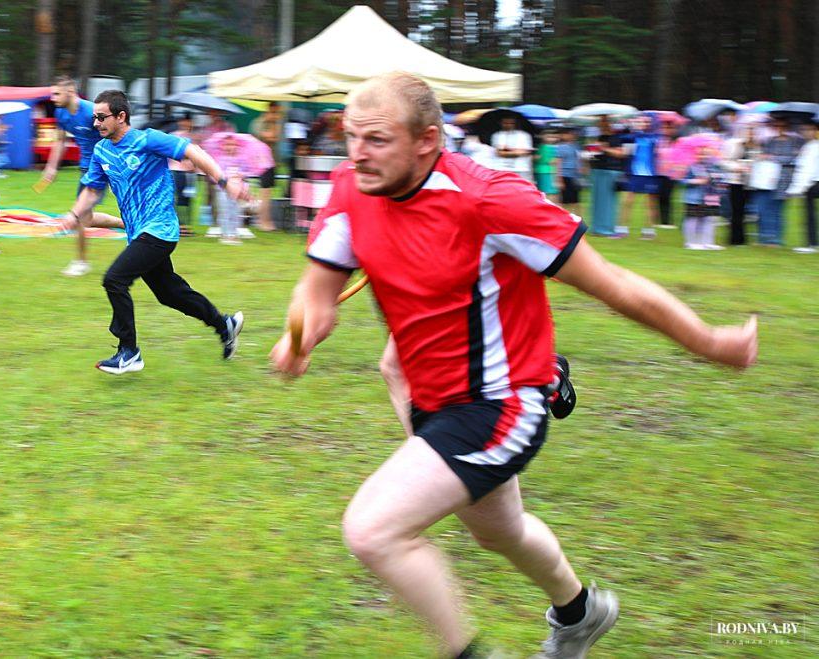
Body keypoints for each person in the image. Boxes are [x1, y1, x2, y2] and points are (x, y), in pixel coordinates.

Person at [270, 72, 758, 659]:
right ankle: (580, 613)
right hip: (433, 398)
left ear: (427, 140)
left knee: (373, 530)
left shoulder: (490, 199)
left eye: (377, 140)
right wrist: (305, 326)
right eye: (350, 137)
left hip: (501, 403)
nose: (357, 154)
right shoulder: (353, 187)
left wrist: (710, 342)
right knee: (496, 530)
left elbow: (613, 285)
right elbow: (317, 286)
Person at [59, 90, 249, 374]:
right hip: (139, 233)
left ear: (121, 117)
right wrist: (75, 214)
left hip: (160, 228)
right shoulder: (101, 151)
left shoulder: (146, 139)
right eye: (94, 117)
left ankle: (129, 352)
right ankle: (225, 325)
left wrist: (223, 180)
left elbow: (191, 151)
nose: (95, 123)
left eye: (101, 117)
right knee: (170, 293)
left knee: (114, 279)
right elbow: (92, 190)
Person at [42, 76, 125, 276]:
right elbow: (61, 141)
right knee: (84, 218)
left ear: (70, 92)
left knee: (79, 215)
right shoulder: (61, 113)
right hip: (86, 168)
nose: (52, 98)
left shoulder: (91, 112)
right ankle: (127, 223)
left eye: (57, 94)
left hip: (104, 165)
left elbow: (115, 133)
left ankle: (81, 263)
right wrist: (52, 167)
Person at [756, 117, 803, 246]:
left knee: (777, 210)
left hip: (783, 180)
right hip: (767, 179)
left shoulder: (795, 141)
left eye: (782, 126)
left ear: (788, 127)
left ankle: (776, 239)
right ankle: (764, 237)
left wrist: (773, 158)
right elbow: (762, 156)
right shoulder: (769, 141)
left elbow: (793, 159)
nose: (779, 128)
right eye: (776, 125)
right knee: (764, 208)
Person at [617, 115, 662, 239]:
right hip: (634, 174)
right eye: (640, 121)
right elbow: (625, 150)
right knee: (627, 202)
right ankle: (622, 230)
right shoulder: (632, 137)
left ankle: (649, 231)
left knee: (650, 204)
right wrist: (632, 129)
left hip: (650, 175)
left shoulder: (654, 138)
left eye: (646, 121)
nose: (643, 123)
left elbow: (659, 150)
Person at [587, 116, 627, 236]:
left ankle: (607, 229)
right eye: (600, 123)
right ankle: (596, 228)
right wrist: (591, 152)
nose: (602, 125)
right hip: (597, 171)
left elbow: (621, 153)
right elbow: (593, 154)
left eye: (605, 122)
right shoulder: (599, 138)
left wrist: (605, 149)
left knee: (609, 202)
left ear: (610, 124)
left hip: (611, 171)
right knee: (597, 201)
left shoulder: (616, 138)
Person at [720, 124, 758, 247]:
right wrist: (737, 168)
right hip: (736, 181)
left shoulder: (755, 145)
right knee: (737, 211)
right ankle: (735, 239)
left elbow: (756, 160)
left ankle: (741, 238)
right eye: (749, 130)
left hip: (749, 182)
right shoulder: (734, 144)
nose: (751, 133)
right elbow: (724, 161)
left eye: (753, 131)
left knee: (744, 212)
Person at [682, 146, 726, 250]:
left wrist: (717, 178)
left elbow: (722, 179)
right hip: (694, 198)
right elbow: (683, 180)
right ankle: (690, 242)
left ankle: (708, 242)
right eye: (700, 154)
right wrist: (694, 181)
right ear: (696, 155)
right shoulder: (692, 167)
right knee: (693, 219)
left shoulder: (715, 167)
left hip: (711, 197)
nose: (703, 156)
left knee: (709, 220)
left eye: (706, 154)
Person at [787, 117, 819, 253]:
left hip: (813, 183)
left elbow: (808, 169)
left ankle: (811, 244)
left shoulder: (813, 147)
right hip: (811, 183)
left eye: (808, 129)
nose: (805, 132)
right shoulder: (808, 146)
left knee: (809, 213)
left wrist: (799, 188)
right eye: (803, 130)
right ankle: (811, 243)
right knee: (808, 213)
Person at [250, 102, 283, 231]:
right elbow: (271, 137)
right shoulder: (259, 123)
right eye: (276, 111)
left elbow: (275, 137)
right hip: (263, 161)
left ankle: (265, 220)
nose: (277, 115)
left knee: (267, 192)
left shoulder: (274, 123)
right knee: (264, 192)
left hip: (271, 161)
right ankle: (262, 221)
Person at [490, 115, 534, 182]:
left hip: (521, 168)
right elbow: (500, 153)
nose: (508, 125)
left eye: (511, 123)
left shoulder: (524, 135)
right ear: (501, 123)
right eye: (505, 123)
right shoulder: (497, 135)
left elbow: (526, 152)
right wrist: (516, 151)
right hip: (501, 168)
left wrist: (507, 151)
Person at [555, 127, 582, 215]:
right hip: (565, 175)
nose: (571, 135)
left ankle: (577, 220)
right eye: (568, 133)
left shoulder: (576, 146)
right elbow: (558, 163)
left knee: (576, 201)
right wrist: (559, 179)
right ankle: (565, 220)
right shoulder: (561, 147)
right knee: (565, 202)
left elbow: (579, 159)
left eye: (572, 133)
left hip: (575, 176)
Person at [534, 129, 559, 200]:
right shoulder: (543, 147)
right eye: (548, 136)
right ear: (542, 137)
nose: (551, 138)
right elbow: (552, 161)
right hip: (546, 171)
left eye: (553, 137)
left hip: (548, 171)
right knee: (547, 192)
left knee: (548, 192)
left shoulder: (544, 147)